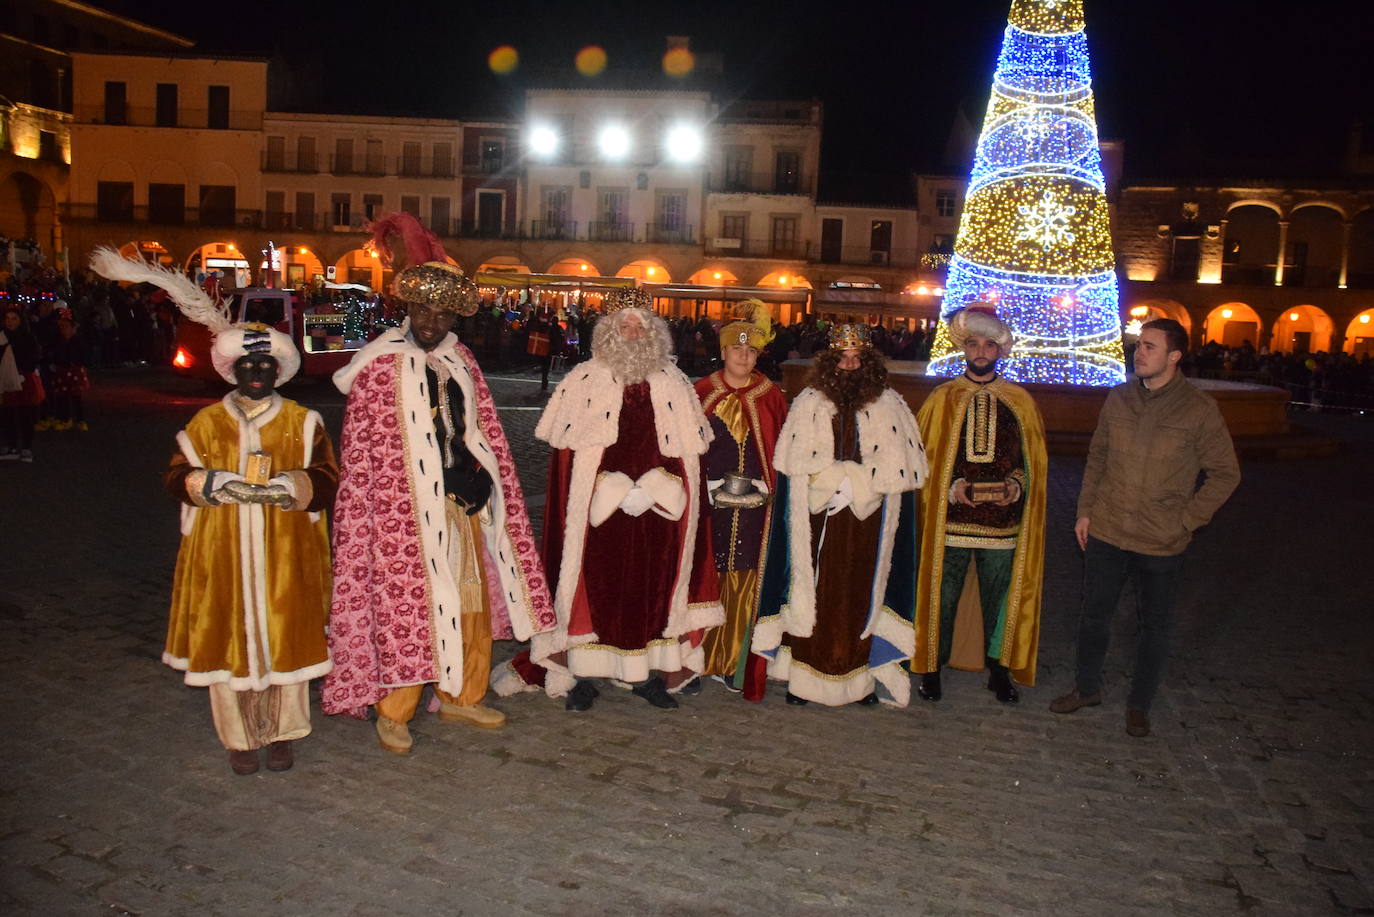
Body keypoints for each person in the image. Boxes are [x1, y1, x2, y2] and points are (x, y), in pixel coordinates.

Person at [92, 247, 339, 777]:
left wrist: (290, 487)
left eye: (265, 364)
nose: (256, 371)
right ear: (232, 369)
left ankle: (283, 732)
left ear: (278, 369)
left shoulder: (303, 421)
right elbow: (173, 476)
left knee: (286, 639)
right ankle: (239, 736)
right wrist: (208, 483)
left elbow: (327, 479)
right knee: (230, 643)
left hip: (285, 553)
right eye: (247, 364)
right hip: (221, 551)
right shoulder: (205, 425)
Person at [321, 214, 555, 755]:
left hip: (464, 509)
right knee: (410, 607)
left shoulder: (460, 359)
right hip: (404, 519)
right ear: (408, 309)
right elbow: (368, 459)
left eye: (442, 311)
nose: (431, 320)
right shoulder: (380, 366)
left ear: (455, 317)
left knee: (470, 604)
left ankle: (462, 694)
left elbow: (481, 432)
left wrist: (481, 475)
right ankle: (395, 710)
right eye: (423, 309)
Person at [498, 292, 723, 711]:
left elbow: (690, 457)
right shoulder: (584, 379)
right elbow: (566, 463)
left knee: (650, 587)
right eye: (625, 325)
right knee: (591, 586)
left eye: (640, 326)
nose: (633, 333)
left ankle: (641, 674)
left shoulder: (674, 383)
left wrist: (656, 489)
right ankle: (581, 673)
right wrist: (607, 491)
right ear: (609, 333)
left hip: (658, 513)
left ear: (654, 334)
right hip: (597, 514)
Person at [1050, 318, 1241, 737]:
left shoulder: (1197, 409)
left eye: (1150, 347)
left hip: (1161, 541)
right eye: (1139, 345)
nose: (1140, 353)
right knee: (1093, 616)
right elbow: (1097, 458)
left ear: (1175, 356)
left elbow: (1225, 473)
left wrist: (1187, 520)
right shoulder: (1118, 399)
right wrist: (1085, 510)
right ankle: (1086, 688)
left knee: (1153, 626)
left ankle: (1139, 703)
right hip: (1109, 530)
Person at [754, 323, 927, 707]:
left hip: (868, 522)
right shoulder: (809, 402)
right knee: (815, 590)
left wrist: (857, 487)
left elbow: (903, 469)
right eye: (842, 358)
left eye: (857, 358)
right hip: (820, 519)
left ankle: (859, 680)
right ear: (830, 362)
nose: (849, 365)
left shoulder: (889, 404)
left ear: (868, 362)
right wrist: (829, 484)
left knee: (860, 593)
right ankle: (803, 678)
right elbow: (794, 466)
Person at [912, 305, 1047, 704]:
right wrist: (951, 487)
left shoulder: (1019, 401)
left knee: (1001, 599)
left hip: (1002, 525)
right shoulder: (943, 398)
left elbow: (1030, 462)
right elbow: (926, 458)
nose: (981, 350)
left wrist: (1016, 485)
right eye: (974, 343)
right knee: (942, 596)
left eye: (989, 343)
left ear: (1000, 350)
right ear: (964, 348)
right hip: (951, 521)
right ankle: (931, 668)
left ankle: (999, 672)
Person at [695, 300, 788, 699]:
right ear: (724, 351)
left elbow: (780, 449)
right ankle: (697, 656)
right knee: (706, 575)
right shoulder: (701, 391)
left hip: (755, 511)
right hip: (710, 507)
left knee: (747, 577)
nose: (744, 357)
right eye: (737, 349)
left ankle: (735, 659)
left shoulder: (771, 396)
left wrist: (770, 489)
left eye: (751, 351)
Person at [1, 304, 43, 462]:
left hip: (24, 379)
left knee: (26, 413)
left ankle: (26, 446)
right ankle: (11, 445)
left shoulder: (28, 337)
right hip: (6, 379)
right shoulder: (2, 337)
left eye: (14, 318)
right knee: (8, 413)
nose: (10, 322)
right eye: (7, 319)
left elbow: (33, 358)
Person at [48, 308, 91, 430]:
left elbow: (84, 356)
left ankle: (80, 419)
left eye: (66, 326)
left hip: (75, 371)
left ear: (74, 327)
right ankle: (65, 418)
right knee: (62, 396)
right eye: (61, 326)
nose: (63, 329)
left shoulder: (79, 341)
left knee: (76, 397)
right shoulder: (58, 341)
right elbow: (54, 353)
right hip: (62, 371)